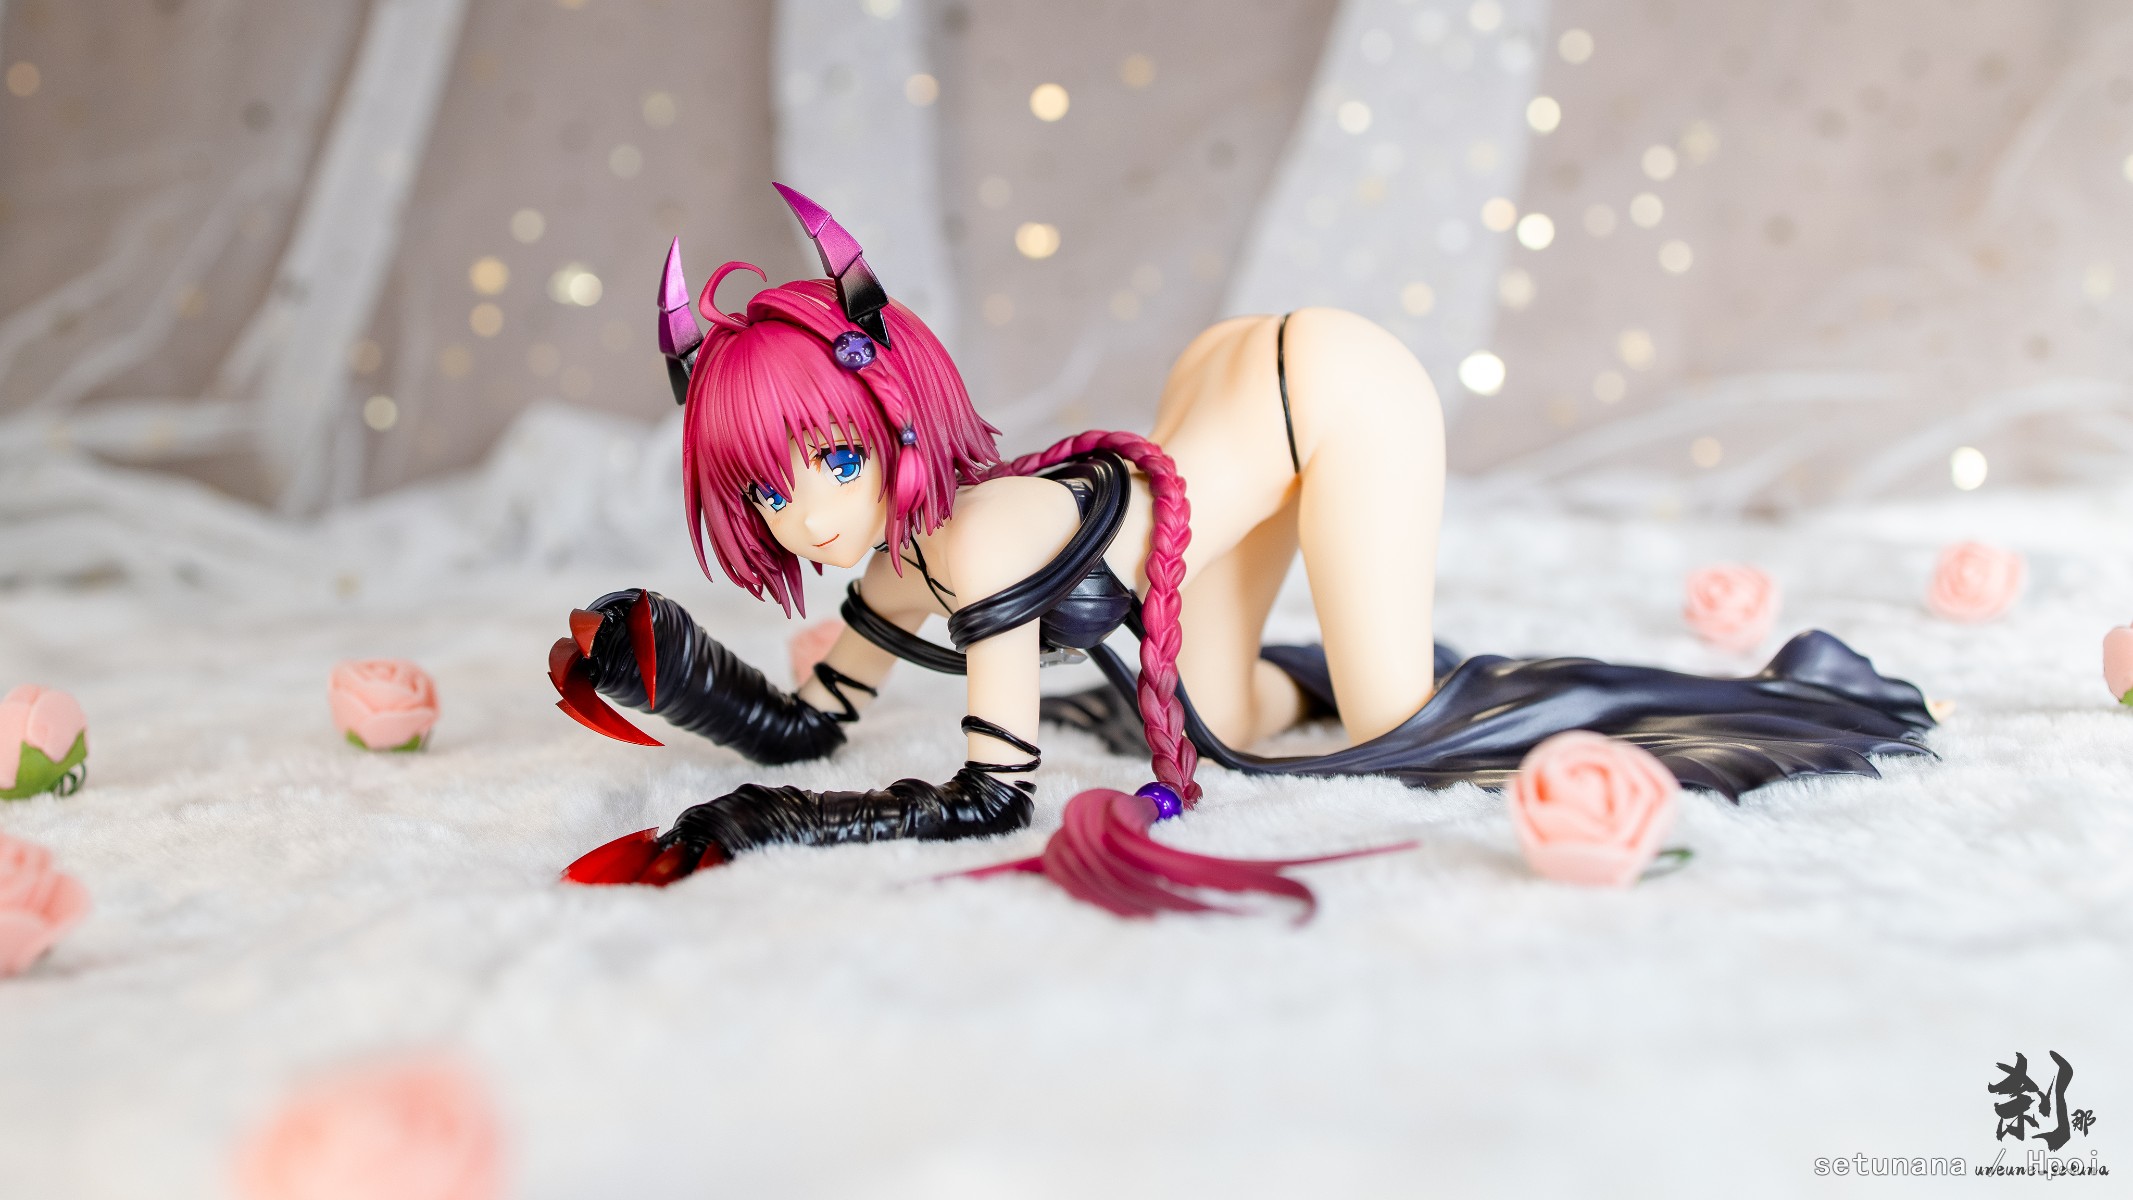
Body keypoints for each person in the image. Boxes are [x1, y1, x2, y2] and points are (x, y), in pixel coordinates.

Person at [551, 184, 1932, 895]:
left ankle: (1763, 708)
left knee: (1395, 722)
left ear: (894, 413)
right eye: (768, 493)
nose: (807, 515)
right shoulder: (902, 561)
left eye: (834, 460)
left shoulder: (969, 554)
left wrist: (762, 822)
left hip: (1329, 390)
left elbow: (991, 795)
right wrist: (664, 663)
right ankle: (1320, 668)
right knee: (1227, 725)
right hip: (1217, 400)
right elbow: (813, 722)